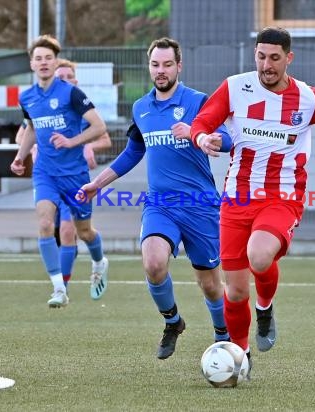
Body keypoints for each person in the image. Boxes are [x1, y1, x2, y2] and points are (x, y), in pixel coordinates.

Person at [190, 27, 315, 369]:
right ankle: (241, 357)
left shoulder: (308, 99)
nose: (267, 65)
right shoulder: (236, 87)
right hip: (236, 199)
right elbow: (203, 121)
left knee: (259, 255)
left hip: (282, 197)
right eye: (261, 56)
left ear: (288, 58)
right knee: (234, 291)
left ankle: (264, 307)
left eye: (275, 58)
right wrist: (202, 137)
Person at [79, 37, 232, 360]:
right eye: (155, 65)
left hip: (200, 205)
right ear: (149, 67)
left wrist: (198, 133)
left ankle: (223, 336)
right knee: (153, 262)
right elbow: (134, 151)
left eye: (167, 64)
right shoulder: (141, 107)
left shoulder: (198, 101)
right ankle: (173, 322)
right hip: (160, 204)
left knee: (209, 284)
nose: (160, 71)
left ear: (179, 66)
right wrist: (98, 184)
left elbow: (228, 139)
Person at [10, 35, 109, 308]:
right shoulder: (26, 97)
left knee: (84, 231)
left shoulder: (71, 93)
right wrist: (20, 157)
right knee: (44, 223)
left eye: (48, 58)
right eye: (38, 58)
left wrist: (72, 142)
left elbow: (99, 127)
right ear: (31, 63)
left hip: (75, 175)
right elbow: (31, 129)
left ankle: (100, 261)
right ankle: (59, 290)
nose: (43, 62)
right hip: (45, 173)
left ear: (56, 62)